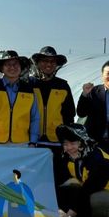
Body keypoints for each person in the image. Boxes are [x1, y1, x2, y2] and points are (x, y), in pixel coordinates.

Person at [30, 46, 76, 192]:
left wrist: (67, 139)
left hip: (56, 141)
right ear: (38, 63)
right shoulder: (29, 84)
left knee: (56, 177)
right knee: (33, 177)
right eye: (44, 61)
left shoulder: (63, 85)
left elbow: (69, 114)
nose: (48, 64)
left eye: (52, 61)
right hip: (33, 141)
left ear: (56, 65)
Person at [0, 51, 39, 147]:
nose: (12, 67)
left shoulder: (29, 89)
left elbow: (35, 118)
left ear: (21, 67)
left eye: (15, 64)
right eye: (8, 64)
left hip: (22, 143)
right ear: (2, 68)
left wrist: (33, 141)